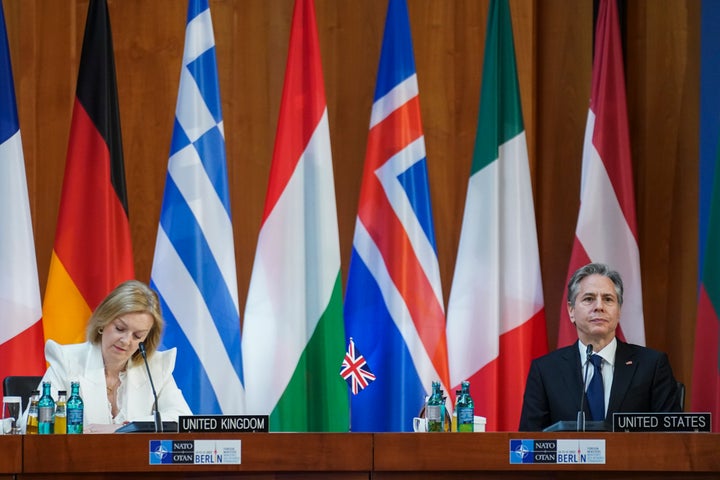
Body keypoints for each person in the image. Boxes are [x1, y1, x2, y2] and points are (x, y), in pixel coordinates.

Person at [518, 263, 681, 431]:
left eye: (608, 299)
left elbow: (674, 439)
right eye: (589, 299)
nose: (599, 306)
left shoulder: (652, 365)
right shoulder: (546, 371)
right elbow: (526, 446)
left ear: (618, 311)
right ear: (571, 310)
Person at [25, 280, 191, 433]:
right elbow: (30, 422)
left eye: (137, 335)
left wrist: (122, 429)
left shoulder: (156, 367)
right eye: (120, 328)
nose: (126, 341)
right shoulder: (68, 360)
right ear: (104, 321)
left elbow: (183, 420)